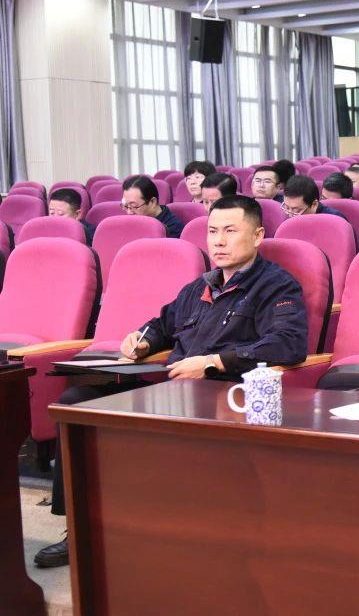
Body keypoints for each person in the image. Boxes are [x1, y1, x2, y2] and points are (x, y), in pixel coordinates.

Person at [33, 195, 308, 568]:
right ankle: (81, 527)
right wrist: (142, 340)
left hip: (223, 395)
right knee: (76, 403)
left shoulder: (276, 286)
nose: (219, 241)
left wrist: (211, 363)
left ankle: (162, 532)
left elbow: (288, 343)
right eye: (213, 231)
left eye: (230, 231)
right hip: (172, 390)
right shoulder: (199, 287)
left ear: (258, 235)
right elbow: (162, 324)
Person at [282, 175, 347, 219]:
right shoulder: (288, 214)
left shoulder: (335, 219)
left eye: (297, 210)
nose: (290, 216)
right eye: (287, 207)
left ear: (314, 204)